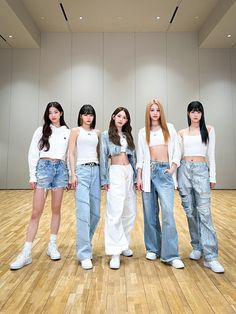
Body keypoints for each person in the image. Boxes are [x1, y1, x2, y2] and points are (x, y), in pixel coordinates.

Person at [10, 102, 70, 270]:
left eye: (56, 112)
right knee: (36, 212)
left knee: (56, 210)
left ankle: (52, 244)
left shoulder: (67, 132)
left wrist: (70, 176)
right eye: (50, 112)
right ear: (47, 114)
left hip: (60, 171)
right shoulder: (41, 130)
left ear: (61, 113)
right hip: (43, 170)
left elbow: (70, 155)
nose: (53, 115)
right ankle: (26, 252)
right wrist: (32, 175)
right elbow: (32, 153)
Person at [137, 99, 184, 269]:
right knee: (150, 213)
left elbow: (177, 152)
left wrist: (172, 169)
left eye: (157, 110)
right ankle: (152, 248)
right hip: (149, 172)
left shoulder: (169, 128)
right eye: (152, 110)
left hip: (164, 173)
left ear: (161, 112)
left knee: (168, 213)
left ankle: (171, 254)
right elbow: (141, 156)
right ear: (148, 113)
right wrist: (140, 177)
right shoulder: (143, 132)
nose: (155, 113)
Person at [177, 101, 224, 273]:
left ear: (202, 113)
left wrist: (213, 176)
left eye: (198, 111)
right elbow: (177, 155)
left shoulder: (209, 130)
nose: (195, 114)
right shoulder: (181, 133)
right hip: (184, 172)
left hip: (201, 171)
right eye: (192, 111)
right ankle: (197, 246)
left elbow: (211, 155)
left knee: (205, 214)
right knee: (190, 212)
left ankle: (211, 256)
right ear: (188, 114)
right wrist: (176, 180)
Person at [100, 107, 137, 269]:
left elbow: (133, 157)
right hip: (114, 173)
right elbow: (102, 157)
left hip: (128, 172)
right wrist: (104, 179)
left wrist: (136, 177)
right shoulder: (105, 135)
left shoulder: (128, 136)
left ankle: (124, 244)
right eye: (119, 116)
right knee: (115, 212)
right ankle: (115, 252)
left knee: (130, 211)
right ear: (113, 116)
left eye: (125, 117)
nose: (121, 119)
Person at [69, 104, 100, 270]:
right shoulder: (75, 131)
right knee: (83, 214)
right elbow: (71, 153)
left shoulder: (97, 133)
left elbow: (100, 153)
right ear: (81, 116)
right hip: (81, 172)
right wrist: (72, 174)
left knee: (96, 214)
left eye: (91, 114)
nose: (88, 117)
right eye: (85, 114)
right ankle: (84, 254)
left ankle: (85, 243)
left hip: (96, 170)